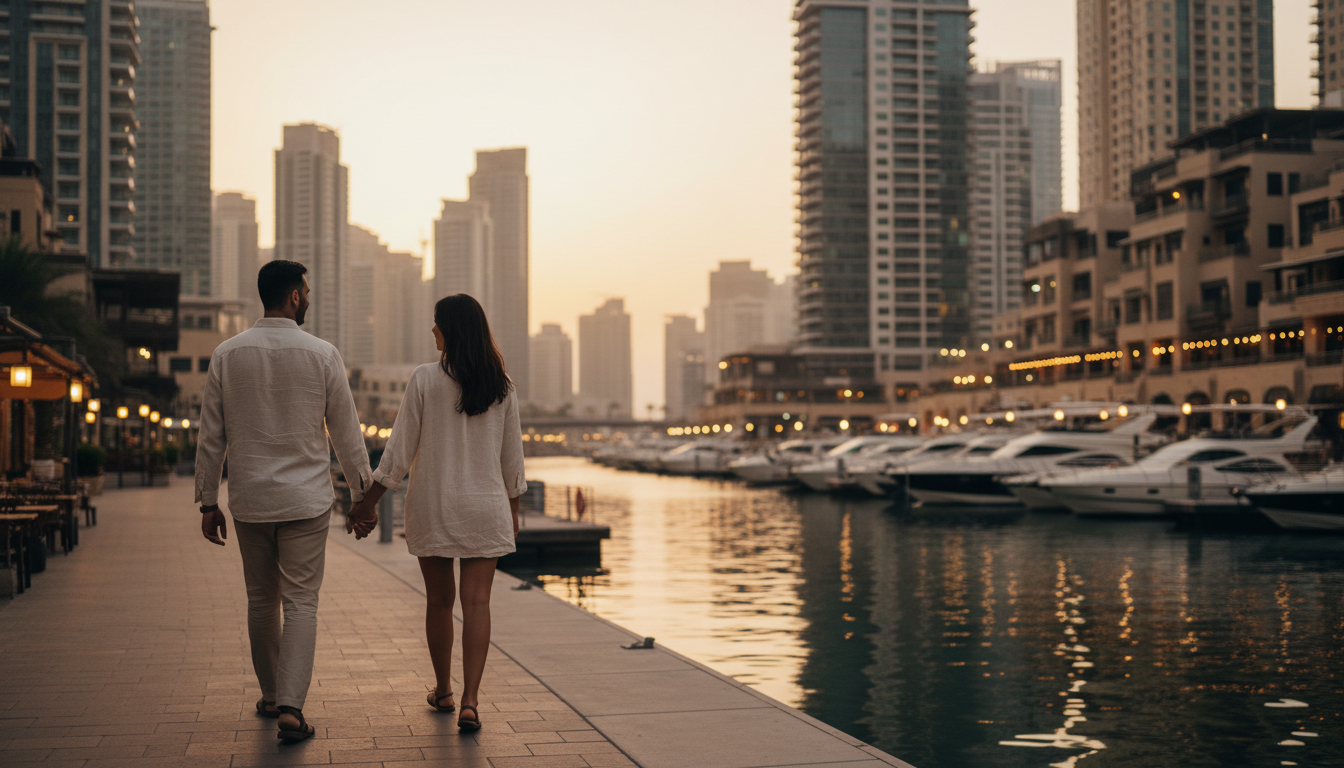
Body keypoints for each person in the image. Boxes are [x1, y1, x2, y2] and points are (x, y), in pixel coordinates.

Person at [195, 260, 372, 743]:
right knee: (300, 603)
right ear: (294, 297)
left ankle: (272, 695)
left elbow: (211, 436)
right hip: (306, 501)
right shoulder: (323, 354)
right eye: (307, 292)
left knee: (260, 600)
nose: (309, 299)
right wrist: (363, 497)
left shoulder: (227, 354)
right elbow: (346, 434)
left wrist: (207, 501)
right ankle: (291, 707)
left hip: (250, 498)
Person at [346, 293, 526, 732]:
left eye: (437, 323)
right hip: (486, 507)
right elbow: (512, 462)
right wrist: (514, 513)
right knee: (478, 603)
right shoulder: (502, 386)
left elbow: (398, 452)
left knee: (440, 602)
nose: (432, 330)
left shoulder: (425, 379)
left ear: (452, 329)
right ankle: (470, 701)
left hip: (435, 503)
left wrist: (366, 505)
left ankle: (444, 690)